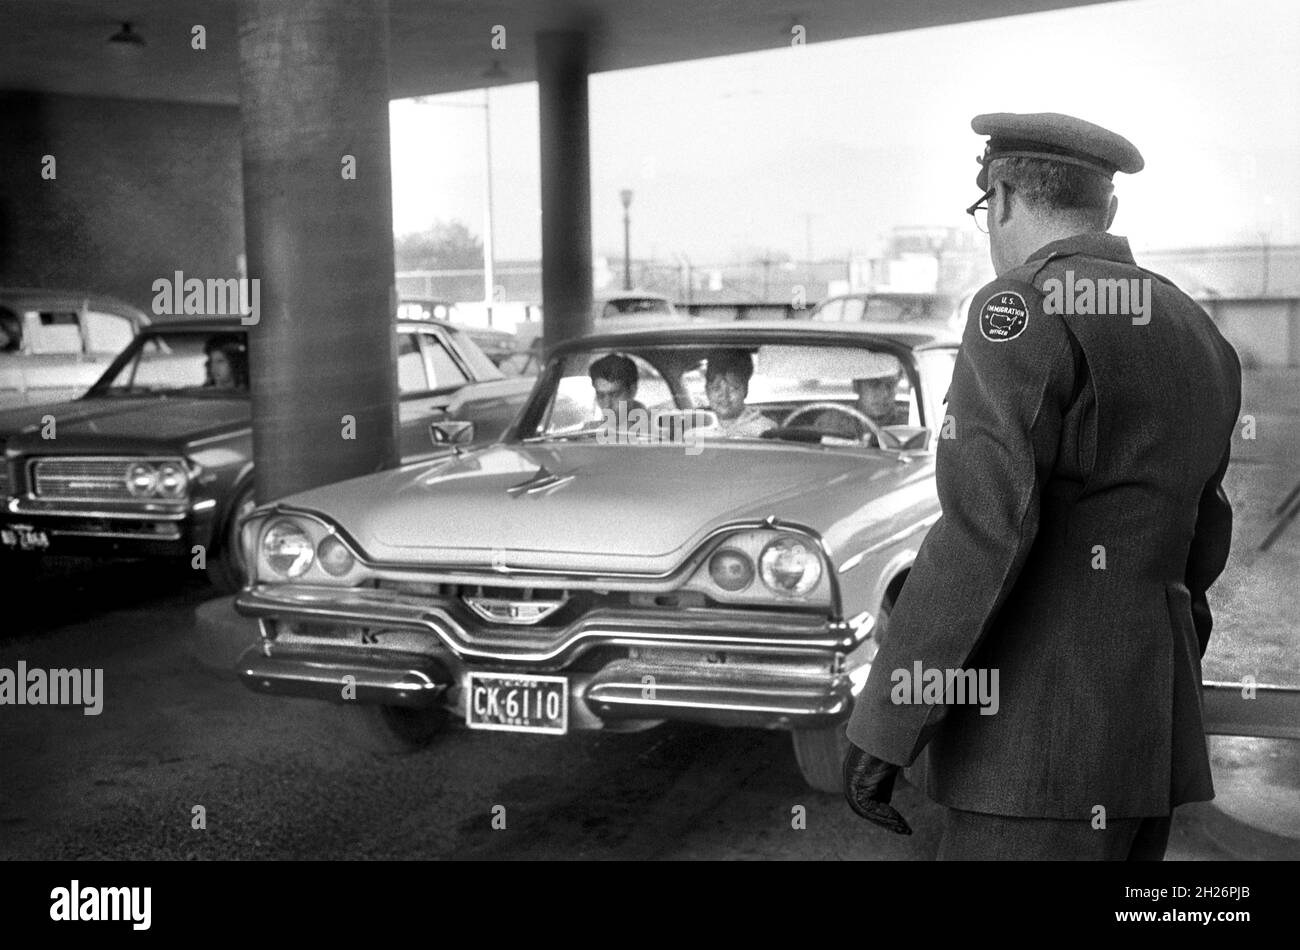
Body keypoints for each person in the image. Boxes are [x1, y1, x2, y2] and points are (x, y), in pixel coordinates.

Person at [843, 112, 1242, 860]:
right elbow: (1204, 540)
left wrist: (891, 722)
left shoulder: (1020, 308)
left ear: (999, 198)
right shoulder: (1194, 328)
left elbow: (982, 537)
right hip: (1147, 740)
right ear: (1109, 210)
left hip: (1033, 754)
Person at [813, 351, 909, 444]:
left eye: (890, 385)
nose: (885, 394)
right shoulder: (831, 423)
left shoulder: (909, 426)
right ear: (857, 386)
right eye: (874, 384)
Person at [704, 349, 775, 439]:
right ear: (707, 392)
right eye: (716, 388)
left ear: (745, 390)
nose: (725, 395)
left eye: (733, 389)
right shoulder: (697, 430)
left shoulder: (765, 430)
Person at [589, 352, 647, 430]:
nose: (607, 405)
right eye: (601, 395)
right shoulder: (588, 432)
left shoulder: (653, 433)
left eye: (614, 395)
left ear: (632, 391)